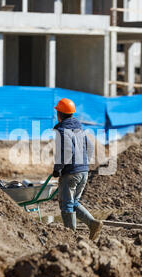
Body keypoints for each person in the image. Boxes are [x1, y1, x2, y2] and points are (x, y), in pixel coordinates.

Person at [52, 98, 103, 240]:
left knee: (66, 205)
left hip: (71, 173)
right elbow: (90, 147)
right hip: (83, 171)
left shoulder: (62, 130)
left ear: (59, 114)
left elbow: (67, 151)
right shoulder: (79, 128)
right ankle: (93, 223)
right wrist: (84, 163)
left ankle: (70, 236)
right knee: (73, 202)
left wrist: (58, 168)